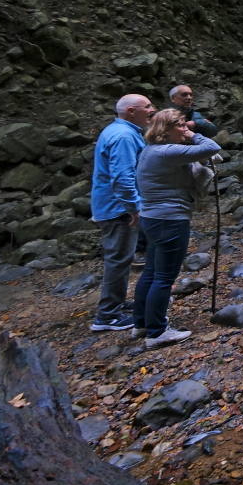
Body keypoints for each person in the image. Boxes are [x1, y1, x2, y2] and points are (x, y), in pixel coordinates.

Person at [133, 108, 220, 349]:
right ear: (166, 130)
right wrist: (193, 136)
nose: (185, 129)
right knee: (163, 277)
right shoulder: (167, 151)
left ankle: (141, 323)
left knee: (151, 272)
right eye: (180, 126)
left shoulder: (151, 150)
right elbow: (212, 147)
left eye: (185, 125)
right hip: (170, 219)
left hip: (151, 218)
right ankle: (157, 331)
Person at [89, 93, 156, 331]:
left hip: (115, 205)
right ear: (130, 111)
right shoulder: (124, 137)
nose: (152, 110)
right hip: (118, 209)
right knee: (119, 260)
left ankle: (115, 304)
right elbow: (122, 177)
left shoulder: (120, 131)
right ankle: (107, 316)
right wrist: (134, 207)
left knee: (123, 258)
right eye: (147, 106)